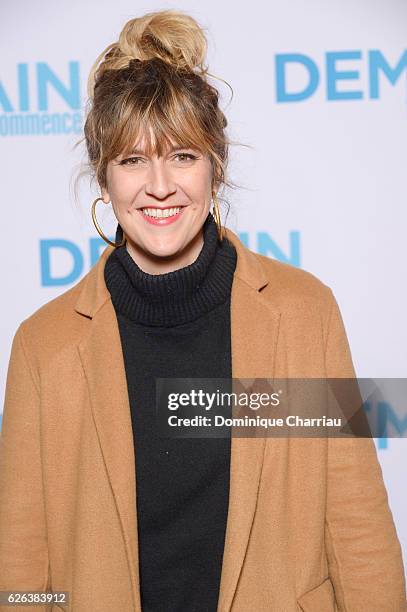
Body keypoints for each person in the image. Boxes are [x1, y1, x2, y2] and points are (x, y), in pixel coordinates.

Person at [0, 9, 405, 612]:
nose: (159, 186)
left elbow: (357, 524)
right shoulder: (45, 344)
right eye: (133, 160)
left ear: (216, 166)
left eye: (183, 155)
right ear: (104, 179)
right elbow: (23, 568)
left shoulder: (303, 314)